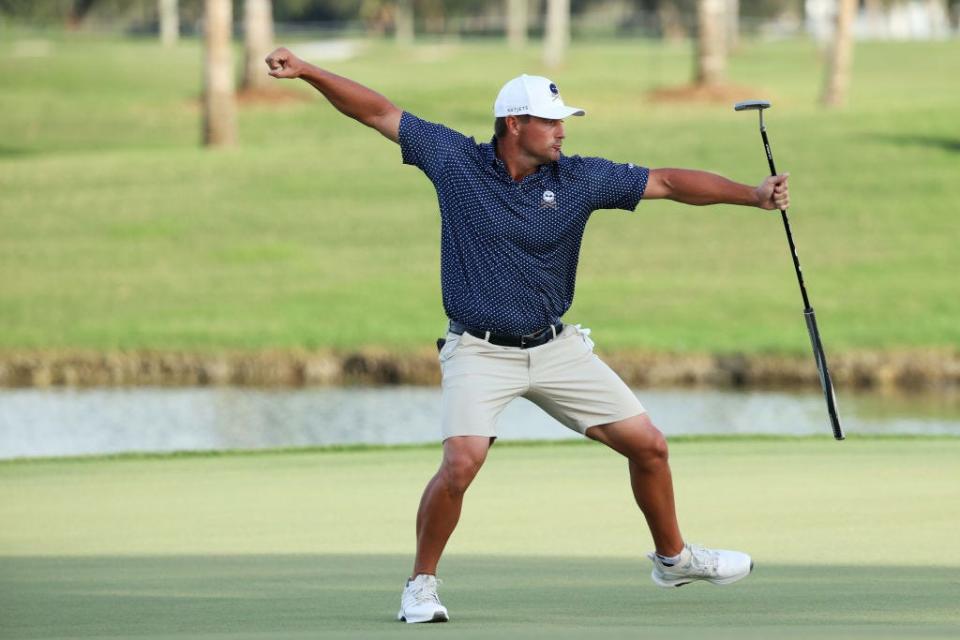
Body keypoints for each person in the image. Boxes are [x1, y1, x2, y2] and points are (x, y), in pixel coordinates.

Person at [265, 48, 790, 625]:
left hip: (555, 348)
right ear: (515, 123)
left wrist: (751, 194)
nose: (562, 131)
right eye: (551, 120)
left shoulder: (580, 178)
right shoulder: (455, 161)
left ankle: (674, 559)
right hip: (479, 348)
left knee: (650, 446)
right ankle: (420, 584)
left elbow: (666, 180)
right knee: (461, 463)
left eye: (564, 120)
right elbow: (378, 113)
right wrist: (311, 72)